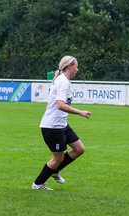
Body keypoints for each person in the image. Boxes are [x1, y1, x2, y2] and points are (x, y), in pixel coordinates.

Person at [32, 55, 91, 190]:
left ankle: (55, 170)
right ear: (68, 66)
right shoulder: (63, 82)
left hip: (62, 125)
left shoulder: (63, 80)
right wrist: (80, 112)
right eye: (76, 66)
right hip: (52, 127)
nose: (77, 69)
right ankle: (38, 184)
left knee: (79, 149)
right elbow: (60, 105)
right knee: (57, 159)